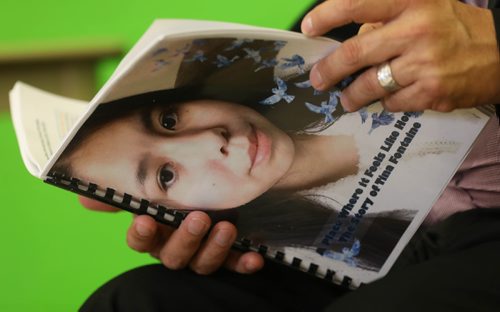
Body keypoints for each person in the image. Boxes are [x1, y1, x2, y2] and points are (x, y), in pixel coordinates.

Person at [80, 0, 500, 311]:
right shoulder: (316, 52)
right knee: (133, 303)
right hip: (408, 258)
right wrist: (231, 245)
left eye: (168, 119)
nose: (210, 141)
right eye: (166, 177)